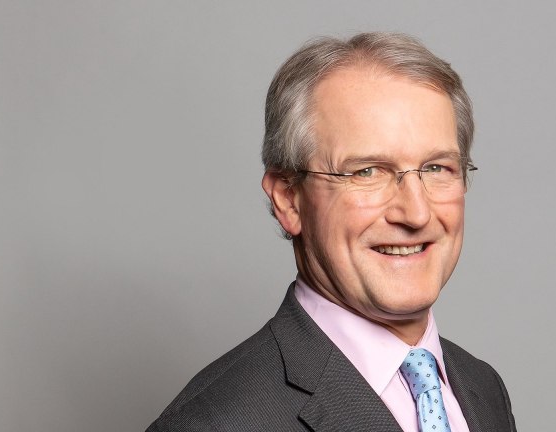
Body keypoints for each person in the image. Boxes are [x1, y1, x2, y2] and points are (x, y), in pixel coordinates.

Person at [146, 32, 516, 432]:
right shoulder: (213, 423)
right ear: (289, 200)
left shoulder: (481, 388)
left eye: (436, 168)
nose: (416, 212)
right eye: (367, 171)